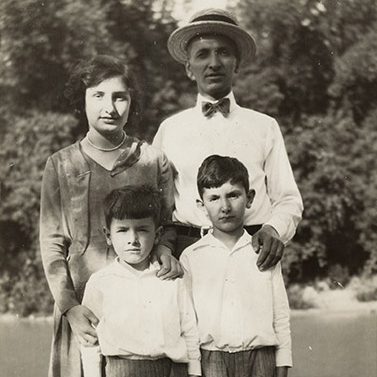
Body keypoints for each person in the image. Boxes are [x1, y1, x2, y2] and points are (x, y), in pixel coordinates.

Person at [40, 55, 182, 377]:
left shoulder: (153, 160)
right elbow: (51, 246)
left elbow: (170, 225)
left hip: (142, 303)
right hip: (82, 308)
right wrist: (70, 308)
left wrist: (164, 249)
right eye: (98, 95)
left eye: (120, 96)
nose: (110, 107)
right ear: (82, 100)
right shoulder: (61, 165)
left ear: (132, 101)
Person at [153, 8, 303, 268]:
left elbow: (288, 198)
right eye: (202, 54)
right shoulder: (170, 129)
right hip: (188, 254)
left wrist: (273, 230)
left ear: (237, 64)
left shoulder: (264, 126)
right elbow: (155, 201)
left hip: (253, 251)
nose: (214, 63)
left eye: (223, 52)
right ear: (189, 68)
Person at [180, 155, 292, 377]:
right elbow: (188, 320)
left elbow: (280, 315)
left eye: (233, 195)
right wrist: (194, 370)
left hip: (261, 358)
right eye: (214, 198)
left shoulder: (263, 250)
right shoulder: (192, 257)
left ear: (249, 198)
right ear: (201, 205)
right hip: (212, 359)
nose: (225, 207)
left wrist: (283, 364)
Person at [80, 185, 201, 377]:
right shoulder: (100, 283)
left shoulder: (170, 278)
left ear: (158, 235)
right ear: (108, 235)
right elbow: (89, 339)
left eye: (142, 230)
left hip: (170, 369)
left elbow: (189, 326)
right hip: (121, 369)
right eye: (122, 230)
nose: (133, 239)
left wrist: (194, 370)